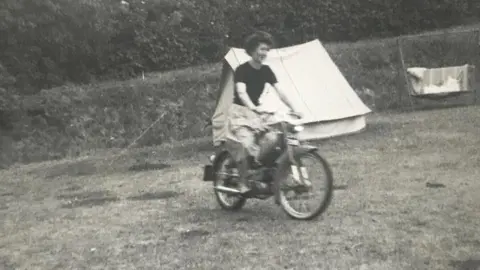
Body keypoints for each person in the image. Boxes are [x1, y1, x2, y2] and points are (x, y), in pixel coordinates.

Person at [227, 31, 301, 194]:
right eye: (262, 49)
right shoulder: (242, 70)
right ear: (253, 50)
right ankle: (243, 182)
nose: (265, 53)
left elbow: (280, 91)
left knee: (274, 138)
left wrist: (294, 108)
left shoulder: (267, 70)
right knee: (246, 145)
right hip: (240, 112)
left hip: (256, 112)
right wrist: (252, 106)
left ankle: (268, 173)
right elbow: (241, 92)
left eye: (267, 50)